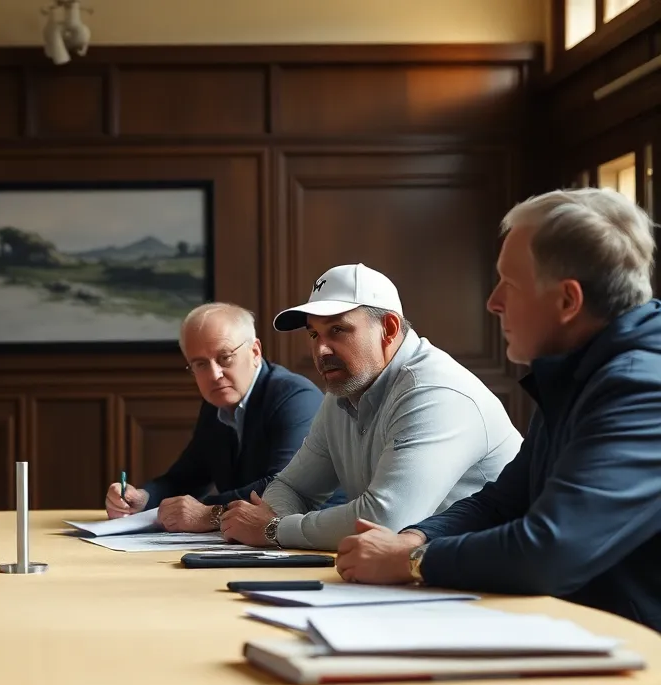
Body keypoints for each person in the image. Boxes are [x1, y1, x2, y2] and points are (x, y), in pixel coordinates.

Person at [335, 189, 661, 632]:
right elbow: (501, 502)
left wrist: (412, 561)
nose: (494, 302)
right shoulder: (580, 369)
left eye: (510, 283)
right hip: (578, 633)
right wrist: (415, 538)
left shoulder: (639, 386)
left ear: (568, 301)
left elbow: (551, 551)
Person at [220, 263, 521, 552]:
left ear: (388, 328)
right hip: (415, 576)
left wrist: (274, 530)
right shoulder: (342, 393)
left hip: (496, 586)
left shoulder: (434, 392)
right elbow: (291, 488)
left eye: (337, 330)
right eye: (314, 334)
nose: (321, 350)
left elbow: (386, 522)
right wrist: (274, 525)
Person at [103, 302, 326, 532]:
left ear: (255, 352)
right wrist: (143, 498)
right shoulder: (216, 406)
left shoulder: (295, 398)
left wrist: (204, 512)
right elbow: (184, 478)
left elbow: (281, 489)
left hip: (315, 541)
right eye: (200, 364)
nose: (214, 375)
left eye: (225, 358)